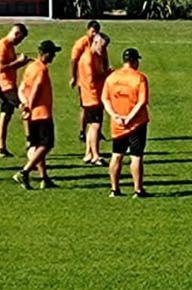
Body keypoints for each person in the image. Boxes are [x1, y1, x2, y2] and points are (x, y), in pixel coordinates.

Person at [103, 47, 151, 198]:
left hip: (117, 124)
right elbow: (142, 101)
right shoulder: (139, 78)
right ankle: (138, 189)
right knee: (136, 156)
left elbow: (105, 99)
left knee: (116, 155)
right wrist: (130, 117)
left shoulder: (111, 77)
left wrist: (115, 116)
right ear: (135, 61)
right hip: (136, 123)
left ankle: (114, 189)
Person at [14, 40, 60, 189]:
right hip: (41, 112)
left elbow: (21, 88)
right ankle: (25, 171)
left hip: (32, 114)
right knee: (46, 144)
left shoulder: (30, 67)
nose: (53, 56)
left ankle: (44, 178)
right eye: (52, 53)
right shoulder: (41, 69)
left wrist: (24, 104)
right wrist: (30, 107)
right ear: (45, 54)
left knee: (37, 146)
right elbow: (36, 89)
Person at [70, 22, 111, 166]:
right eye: (102, 46)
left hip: (92, 96)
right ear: (95, 42)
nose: (104, 49)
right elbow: (92, 79)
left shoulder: (95, 55)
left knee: (92, 125)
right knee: (95, 126)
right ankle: (96, 155)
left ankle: (88, 154)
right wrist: (107, 75)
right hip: (92, 96)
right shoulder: (87, 59)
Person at [0, 23, 31, 157]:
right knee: (26, 107)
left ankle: (2, 148)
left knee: (5, 115)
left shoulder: (9, 47)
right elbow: (2, 68)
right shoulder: (2, 46)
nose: (20, 42)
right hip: (5, 86)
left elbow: (10, 67)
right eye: (20, 39)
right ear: (17, 34)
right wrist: (20, 62)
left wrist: (21, 63)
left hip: (9, 84)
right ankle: (30, 141)